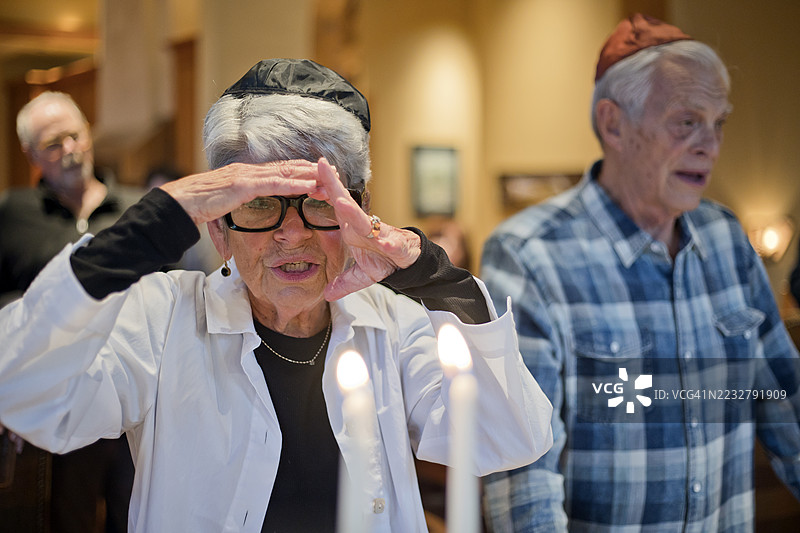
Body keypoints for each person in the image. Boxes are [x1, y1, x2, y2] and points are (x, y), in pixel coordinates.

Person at [0, 58, 553, 532]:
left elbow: (510, 437)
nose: (292, 234)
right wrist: (148, 227)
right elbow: (24, 393)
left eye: (318, 203)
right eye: (260, 203)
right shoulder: (163, 317)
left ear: (354, 213)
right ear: (218, 229)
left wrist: (434, 276)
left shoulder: (394, 321)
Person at [481, 14, 800, 532]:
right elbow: (524, 475)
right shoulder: (530, 256)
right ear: (613, 123)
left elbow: (787, 401)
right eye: (686, 121)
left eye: (718, 123)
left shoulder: (725, 239)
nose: (711, 145)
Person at [0, 91, 137, 532]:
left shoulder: (138, 210)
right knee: (64, 519)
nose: (70, 150)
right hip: (53, 403)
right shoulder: (12, 214)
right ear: (32, 154)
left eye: (74, 136)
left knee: (136, 515)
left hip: (135, 396)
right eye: (53, 144)